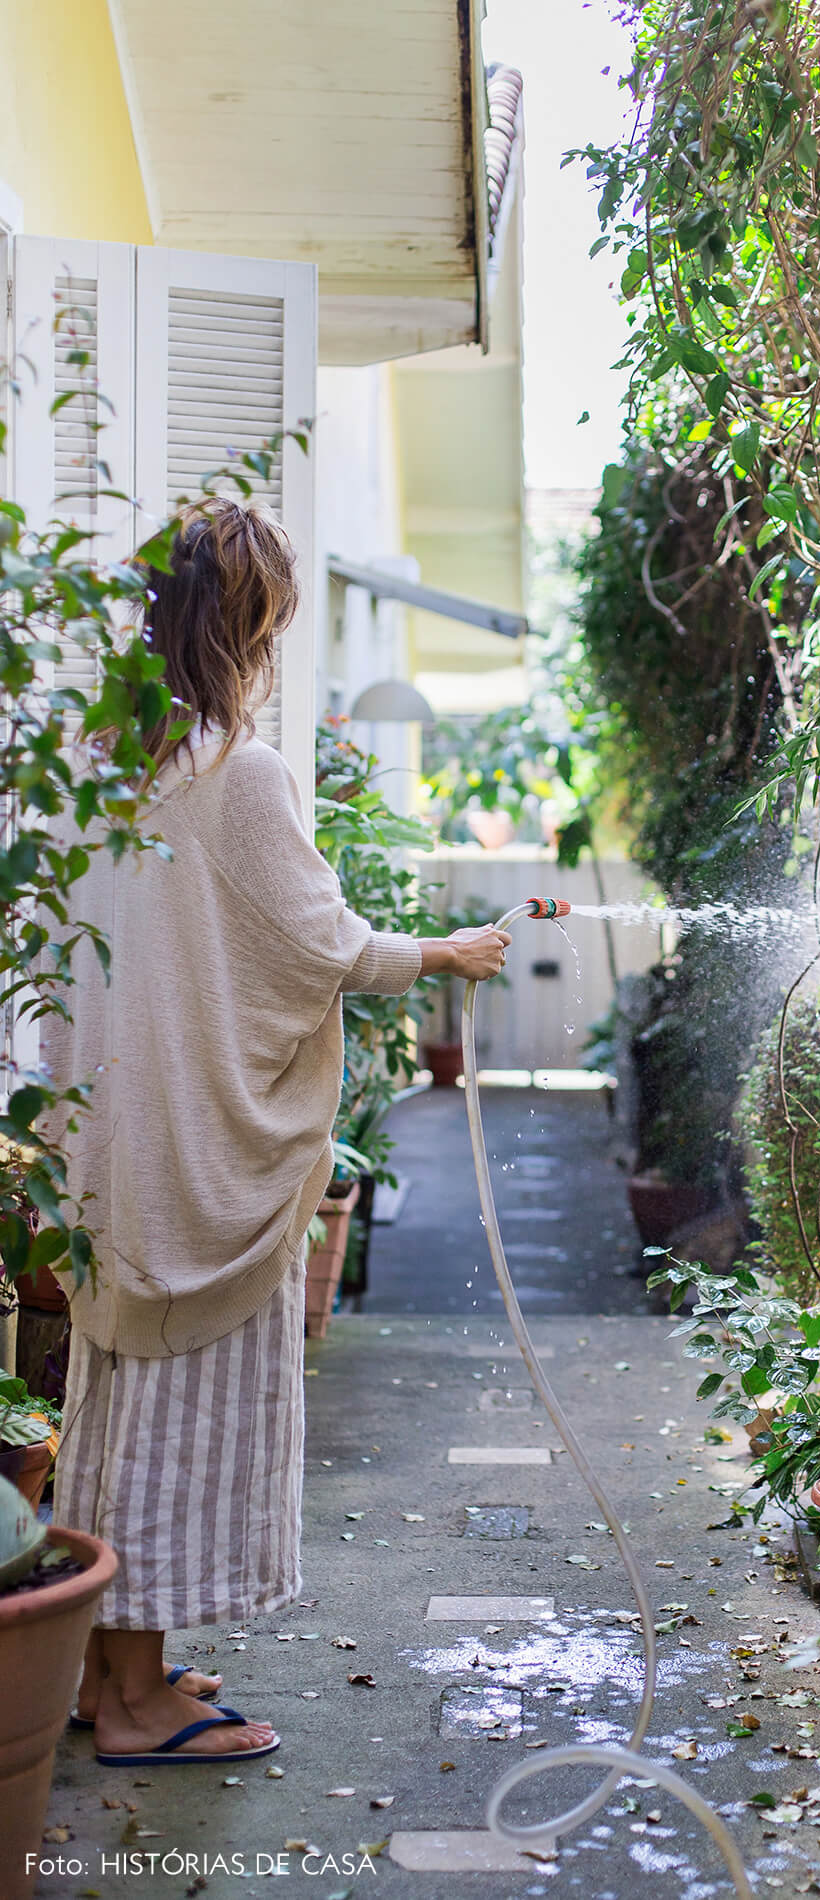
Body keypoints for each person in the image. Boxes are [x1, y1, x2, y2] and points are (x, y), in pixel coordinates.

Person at [45, 498, 510, 1766]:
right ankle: (139, 1707)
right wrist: (447, 950)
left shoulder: (98, 770)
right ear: (238, 630)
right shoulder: (233, 775)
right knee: (176, 1428)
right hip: (197, 1164)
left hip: (118, 1154)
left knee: (117, 1415)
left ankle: (102, 1673)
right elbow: (327, 944)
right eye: (268, 627)